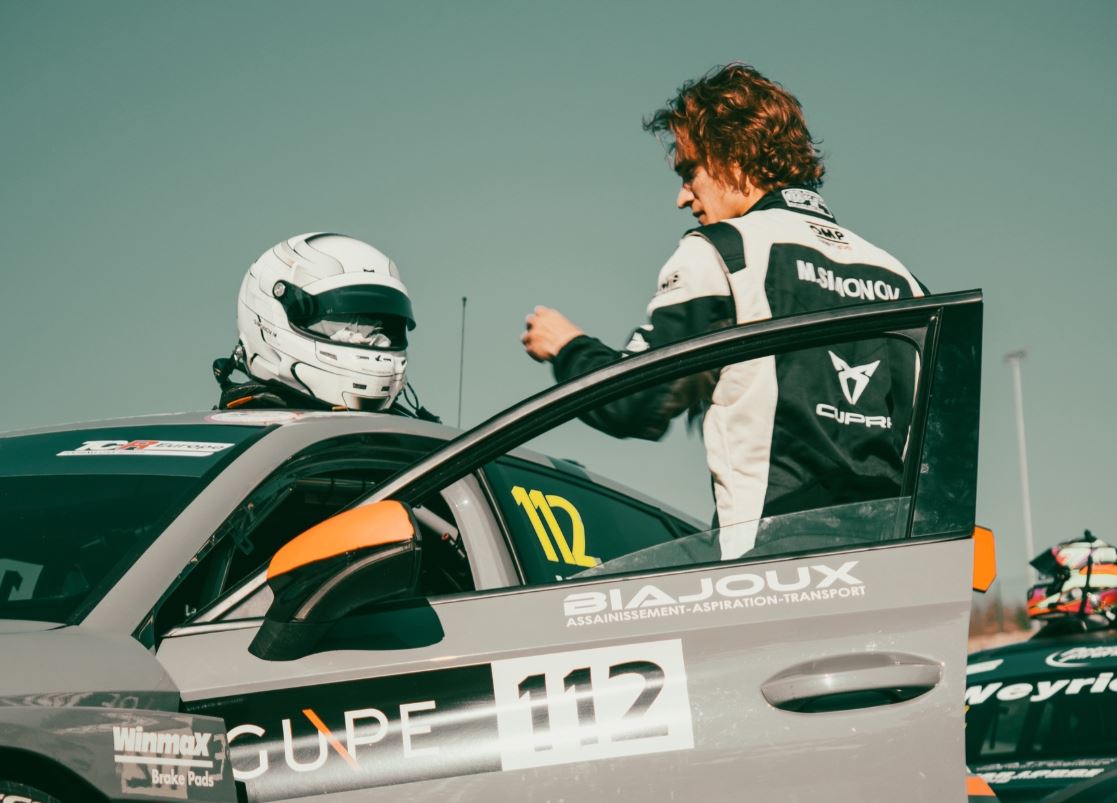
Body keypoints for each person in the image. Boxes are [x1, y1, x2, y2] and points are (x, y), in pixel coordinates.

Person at [521, 64, 926, 547]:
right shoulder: (905, 281)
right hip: (894, 566)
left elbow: (636, 403)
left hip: (769, 568)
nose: (682, 197)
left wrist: (567, 347)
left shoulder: (723, 252)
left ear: (733, 158)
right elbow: (934, 456)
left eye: (689, 172)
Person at [214, 232, 436, 419]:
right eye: (345, 323)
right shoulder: (246, 436)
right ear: (269, 315)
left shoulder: (420, 440)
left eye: (381, 326)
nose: (374, 338)